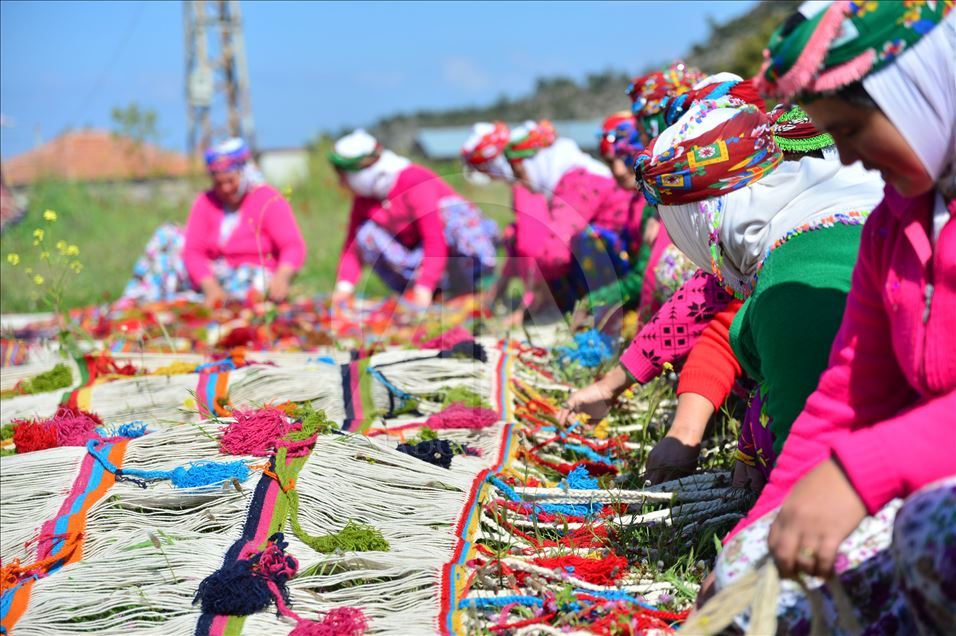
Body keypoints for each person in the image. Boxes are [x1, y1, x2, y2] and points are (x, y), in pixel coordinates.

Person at [705, 4, 955, 632]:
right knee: (752, 570)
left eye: (850, 129)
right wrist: (766, 522)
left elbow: (861, 453)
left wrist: (859, 473)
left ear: (921, 89)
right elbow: (846, 394)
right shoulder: (894, 229)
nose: (845, 159)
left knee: (932, 534)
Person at [559, 92, 885, 492]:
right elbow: (725, 320)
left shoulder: (791, 286)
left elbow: (809, 485)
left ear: (705, 220)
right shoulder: (810, 221)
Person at [461, 120, 632, 318]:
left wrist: (531, 298)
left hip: (624, 262)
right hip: (617, 257)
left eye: (520, 170)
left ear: (535, 161)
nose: (521, 177)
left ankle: (595, 311)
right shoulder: (566, 178)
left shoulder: (577, 182)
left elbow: (549, 250)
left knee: (577, 245)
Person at [121, 138, 306, 307]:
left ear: (244, 173)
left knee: (253, 287)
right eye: (219, 183)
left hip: (252, 274)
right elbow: (193, 251)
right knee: (167, 235)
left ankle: (216, 301)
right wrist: (210, 286)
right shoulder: (206, 202)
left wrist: (282, 277)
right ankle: (139, 300)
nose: (225, 188)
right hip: (211, 275)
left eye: (231, 181)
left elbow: (292, 246)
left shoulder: (267, 199)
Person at [330, 129, 498, 309]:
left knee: (450, 212)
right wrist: (344, 288)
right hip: (419, 255)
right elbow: (352, 246)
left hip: (447, 251)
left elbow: (434, 238)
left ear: (361, 172)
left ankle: (472, 287)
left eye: (344, 177)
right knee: (365, 234)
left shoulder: (414, 182)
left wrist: (424, 285)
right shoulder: (365, 198)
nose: (342, 184)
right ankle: (428, 293)